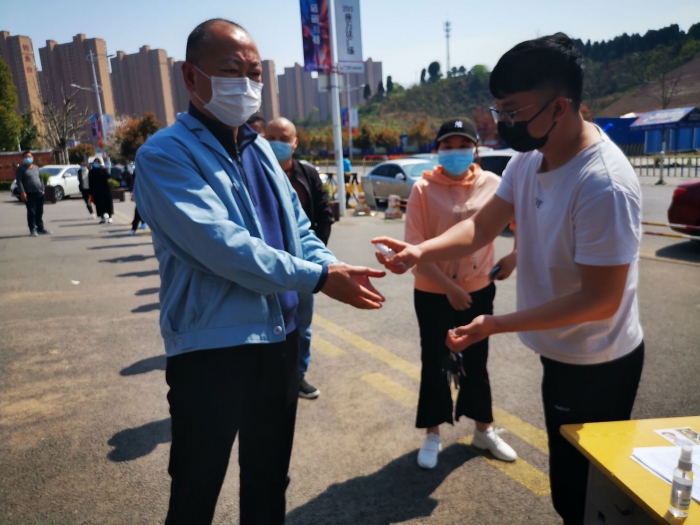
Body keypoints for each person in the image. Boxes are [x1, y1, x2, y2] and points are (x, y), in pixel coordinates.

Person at [374, 33, 644, 525]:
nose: (503, 122)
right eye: (498, 109)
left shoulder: (602, 184)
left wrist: (495, 324)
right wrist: (420, 251)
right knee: (570, 488)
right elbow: (481, 228)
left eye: (514, 110)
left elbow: (600, 300)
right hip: (560, 349)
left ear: (559, 106)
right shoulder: (529, 160)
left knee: (588, 496)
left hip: (596, 360)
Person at [134, 19, 385, 525]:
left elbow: (299, 227)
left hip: (280, 341)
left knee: (269, 481)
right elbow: (224, 248)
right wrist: (319, 279)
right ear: (191, 77)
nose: (247, 84)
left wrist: (330, 264)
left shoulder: (261, 149)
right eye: (231, 71)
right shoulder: (164, 154)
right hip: (213, 352)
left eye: (254, 74)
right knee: (196, 487)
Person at [405, 118, 518, 469]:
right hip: (432, 291)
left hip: (479, 289)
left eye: (463, 145)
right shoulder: (422, 189)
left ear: (475, 149)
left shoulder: (494, 185)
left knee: (476, 361)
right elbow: (415, 248)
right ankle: (433, 433)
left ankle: (483, 429)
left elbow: (526, 221)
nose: (456, 152)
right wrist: (450, 288)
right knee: (434, 360)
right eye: (448, 146)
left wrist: (515, 255)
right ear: (437, 150)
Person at [266, 117, 334, 400]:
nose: (276, 144)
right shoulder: (252, 172)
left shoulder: (307, 174)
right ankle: (271, 381)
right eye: (270, 138)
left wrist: (317, 260)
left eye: (283, 139)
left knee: (302, 327)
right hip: (267, 266)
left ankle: (298, 377)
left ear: (294, 143)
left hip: (304, 267)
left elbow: (324, 216)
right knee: (269, 326)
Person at [15, 150, 52, 236]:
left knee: (40, 211)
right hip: (29, 193)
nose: (28, 158)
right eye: (26, 157)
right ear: (23, 159)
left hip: (39, 193)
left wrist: (43, 189)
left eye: (29, 157)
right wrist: (22, 192)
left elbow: (40, 178)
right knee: (31, 212)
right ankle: (32, 229)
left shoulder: (36, 167)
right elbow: (19, 181)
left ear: (32, 157)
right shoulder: (20, 169)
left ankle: (40, 228)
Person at [88, 157, 114, 224]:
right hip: (97, 191)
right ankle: (102, 218)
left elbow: (108, 176)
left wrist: (104, 169)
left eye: (97, 162)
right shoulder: (91, 172)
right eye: (95, 162)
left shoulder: (102, 170)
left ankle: (110, 217)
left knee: (108, 203)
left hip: (105, 189)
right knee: (99, 205)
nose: (96, 163)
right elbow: (90, 182)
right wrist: (91, 192)